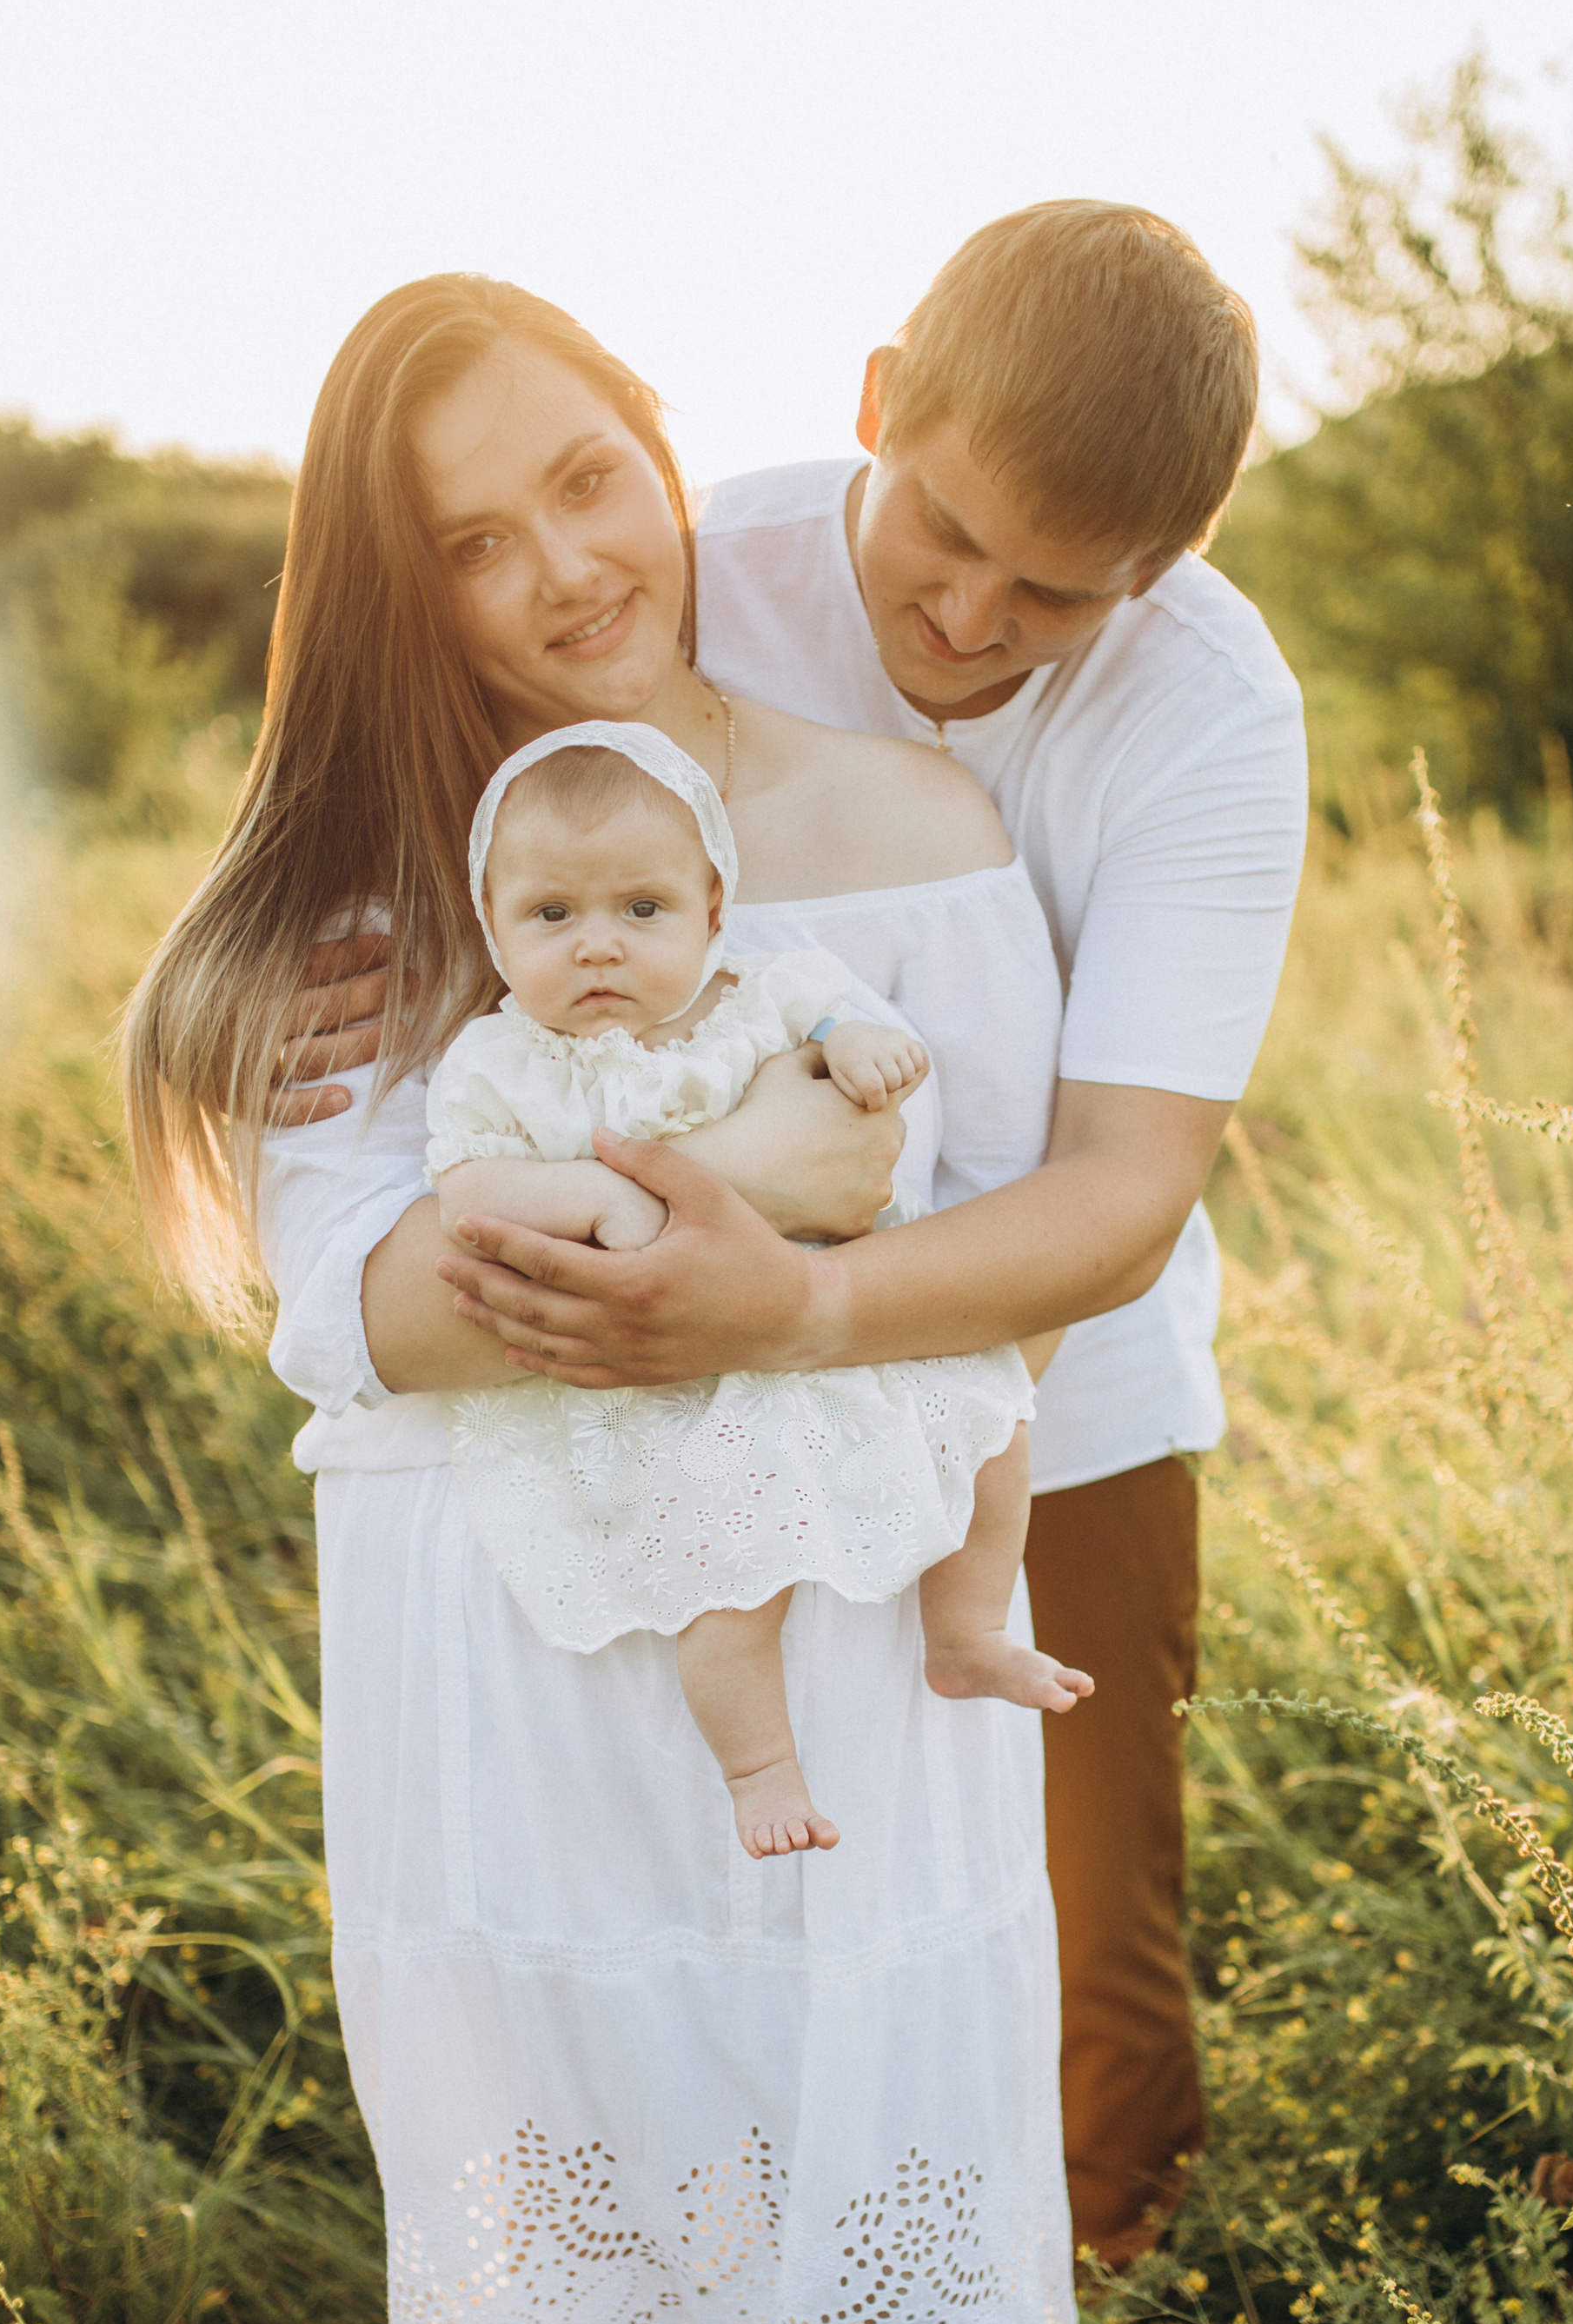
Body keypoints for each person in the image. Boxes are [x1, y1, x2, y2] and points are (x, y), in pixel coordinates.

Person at [121, 274, 1112, 2324]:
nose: (565, 566)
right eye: (473, 542)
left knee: (851, 2048)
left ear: (663, 450)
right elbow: (353, 1305)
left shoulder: (905, 819)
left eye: (585, 477)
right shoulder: (364, 894)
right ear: (399, 594)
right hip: (505, 1623)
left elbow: (995, 1244)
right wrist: (749, 1200)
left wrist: (670, 1237)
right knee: (575, 2098)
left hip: (837, 1589)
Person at [275, 205, 1310, 2277]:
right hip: (679, 1412)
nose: (967, 608)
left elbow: (1118, 1189)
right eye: (944, 530)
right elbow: (474, 818)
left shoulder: (1203, 708)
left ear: (1162, 565)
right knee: (746, 1926)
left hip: (1044, 1401)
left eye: (1054, 592)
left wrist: (808, 1293)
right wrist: (332, 963)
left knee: (1081, 1966)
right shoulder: (668, 573)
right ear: (875, 407)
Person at [428, 717, 1089, 1859]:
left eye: (643, 909)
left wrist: (857, 1044)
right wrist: (593, 1199)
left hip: (817, 1327)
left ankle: (968, 1630)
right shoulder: (501, 1062)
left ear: (713, 911)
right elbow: (465, 1188)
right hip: (671, 1388)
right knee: (728, 1580)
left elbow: (838, 1027)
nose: (598, 947)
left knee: (996, 1422)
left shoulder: (757, 996)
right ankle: (759, 1768)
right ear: (493, 930)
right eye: (551, 915)